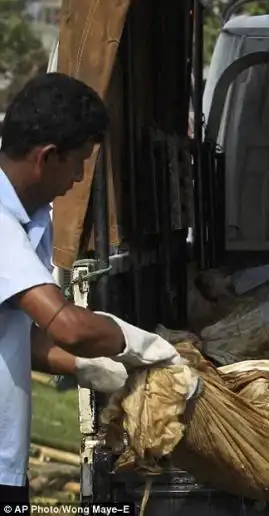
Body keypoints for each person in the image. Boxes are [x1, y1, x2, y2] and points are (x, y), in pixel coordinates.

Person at [0, 74, 186, 505]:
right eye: (78, 162)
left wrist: (88, 367)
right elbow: (68, 326)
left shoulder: (29, 219)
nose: (80, 176)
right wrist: (145, 345)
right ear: (47, 157)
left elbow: (17, 336)